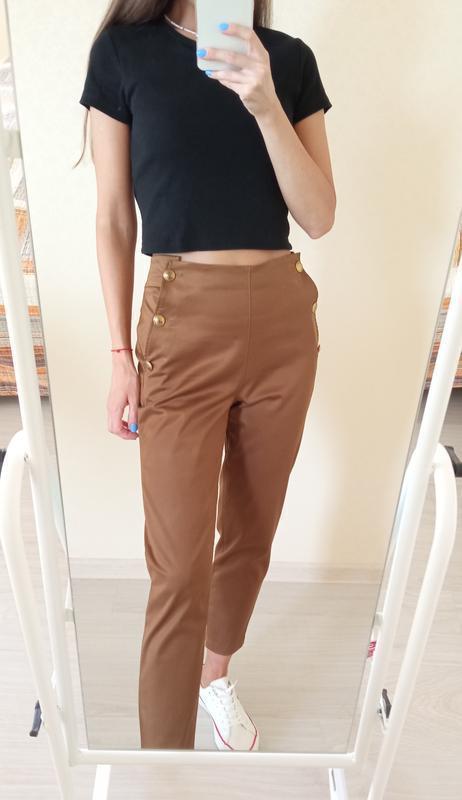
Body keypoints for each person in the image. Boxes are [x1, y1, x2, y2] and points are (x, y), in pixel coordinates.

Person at [78, 0, 335, 752]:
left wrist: (264, 102)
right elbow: (112, 216)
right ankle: (163, 765)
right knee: (178, 566)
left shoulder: (288, 59)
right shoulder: (124, 53)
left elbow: (319, 215)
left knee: (251, 531)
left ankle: (213, 674)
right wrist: (119, 356)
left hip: (282, 319)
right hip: (179, 318)